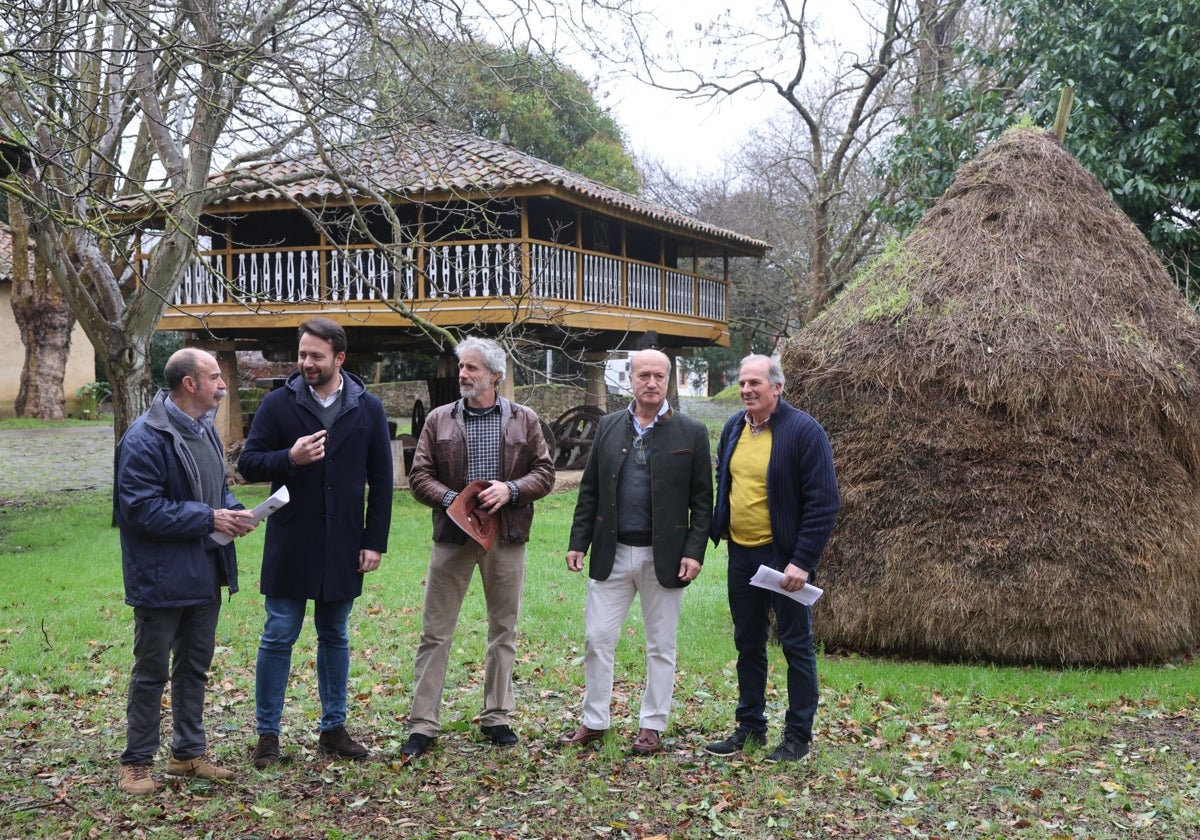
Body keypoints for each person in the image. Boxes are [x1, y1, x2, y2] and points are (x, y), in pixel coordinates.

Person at [238, 318, 393, 768]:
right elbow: (248, 463)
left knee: (335, 634)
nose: (305, 362)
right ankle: (268, 735)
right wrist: (290, 457)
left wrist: (374, 542)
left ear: (339, 359)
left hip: (344, 543)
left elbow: (381, 482)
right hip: (290, 541)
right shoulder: (276, 405)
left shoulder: (368, 407)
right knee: (278, 635)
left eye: (315, 356)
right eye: (302, 354)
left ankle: (333, 729)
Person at [401, 336, 555, 757]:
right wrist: (453, 500)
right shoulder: (438, 419)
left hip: (506, 535)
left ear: (495, 376)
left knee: (503, 629)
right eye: (462, 368)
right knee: (435, 631)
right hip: (453, 536)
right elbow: (419, 475)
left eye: (471, 369)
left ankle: (497, 717)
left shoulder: (525, 419)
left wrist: (511, 490)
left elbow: (545, 472)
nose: (462, 375)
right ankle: (422, 724)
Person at [115, 348, 256, 795]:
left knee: (195, 665)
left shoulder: (206, 430)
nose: (223, 384)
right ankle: (135, 765)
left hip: (205, 568)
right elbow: (139, 510)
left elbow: (217, 491)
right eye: (215, 377)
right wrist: (209, 518)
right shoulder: (143, 437)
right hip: (159, 576)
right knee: (152, 671)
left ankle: (187, 754)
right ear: (190, 384)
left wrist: (235, 513)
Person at [562, 349, 712, 755]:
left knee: (661, 645)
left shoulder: (691, 432)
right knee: (597, 639)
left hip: (664, 556)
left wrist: (694, 552)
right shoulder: (609, 427)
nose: (651, 382)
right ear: (630, 379)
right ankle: (594, 720)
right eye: (643, 374)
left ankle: (652, 725)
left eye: (659, 375)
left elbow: (703, 502)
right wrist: (579, 542)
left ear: (668, 380)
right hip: (612, 551)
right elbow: (589, 489)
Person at [705, 354, 840, 763]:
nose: (746, 390)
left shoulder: (804, 431)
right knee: (748, 642)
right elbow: (725, 480)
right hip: (741, 557)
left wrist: (801, 561)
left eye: (755, 383)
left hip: (786, 561)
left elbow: (824, 502)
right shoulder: (734, 428)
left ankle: (798, 736)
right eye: (742, 382)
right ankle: (750, 728)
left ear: (777, 387)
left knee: (796, 644)